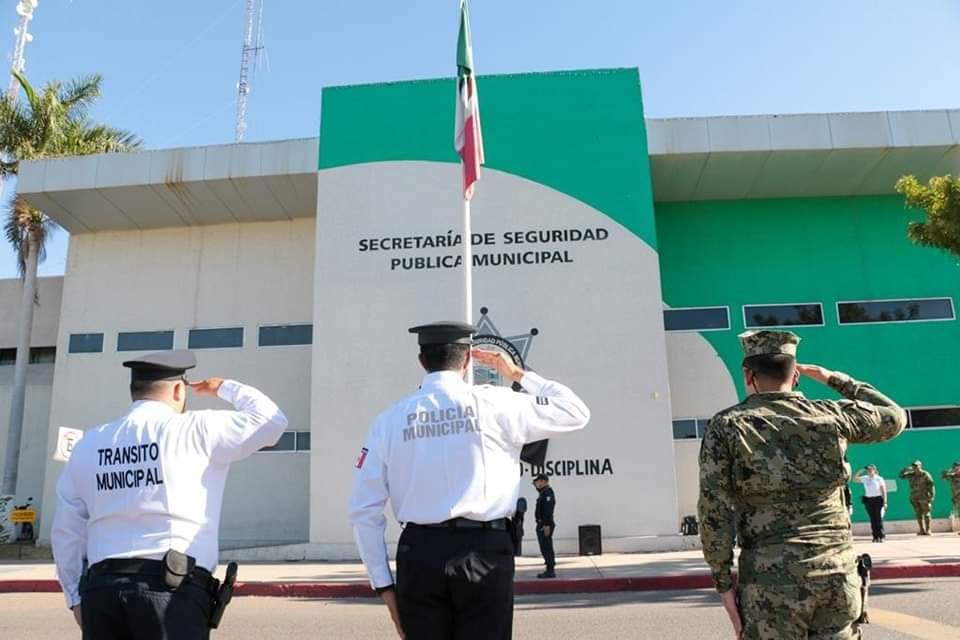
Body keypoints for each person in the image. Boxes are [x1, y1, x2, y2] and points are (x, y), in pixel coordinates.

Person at [348, 321, 590, 640]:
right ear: (466, 361)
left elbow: (364, 510)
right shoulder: (498, 403)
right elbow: (575, 412)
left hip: (419, 554)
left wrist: (383, 585)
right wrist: (518, 374)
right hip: (484, 550)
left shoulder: (389, 420)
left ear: (422, 361)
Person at [51, 350, 288, 639]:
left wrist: (75, 597)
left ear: (134, 391)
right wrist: (223, 386)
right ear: (178, 389)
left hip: (102, 593)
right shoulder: (195, 428)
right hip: (170, 591)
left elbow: (67, 529)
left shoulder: (90, 443)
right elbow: (272, 422)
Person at [698, 330, 906, 640]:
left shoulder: (728, 425)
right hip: (837, 577)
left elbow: (713, 510)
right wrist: (834, 379)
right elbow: (896, 417)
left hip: (770, 584)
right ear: (795, 374)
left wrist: (723, 583)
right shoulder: (831, 414)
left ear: (748, 374)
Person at [899, 460, 936, 535]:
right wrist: (905, 469)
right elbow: (901, 476)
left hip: (924, 497)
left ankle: (928, 529)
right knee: (918, 514)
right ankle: (921, 530)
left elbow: (931, 485)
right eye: (914, 466)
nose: (915, 468)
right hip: (914, 497)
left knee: (927, 514)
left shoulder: (925, 474)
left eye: (916, 466)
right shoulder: (911, 474)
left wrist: (932, 495)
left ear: (920, 466)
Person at [853, 464, 887, 542]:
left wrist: (885, 502)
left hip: (878, 499)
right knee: (872, 519)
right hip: (868, 500)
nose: (869, 471)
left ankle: (881, 536)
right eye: (868, 470)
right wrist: (861, 471)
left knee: (878, 518)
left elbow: (883, 490)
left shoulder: (879, 478)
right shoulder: (865, 478)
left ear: (874, 470)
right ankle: (875, 536)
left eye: (871, 470)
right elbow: (854, 479)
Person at [532, 474, 557, 579]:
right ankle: (549, 568)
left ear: (543, 481)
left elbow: (548, 510)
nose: (536, 484)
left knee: (547, 547)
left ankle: (550, 570)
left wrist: (546, 525)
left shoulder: (547, 493)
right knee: (544, 547)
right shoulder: (543, 493)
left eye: (537, 482)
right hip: (542, 524)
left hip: (545, 525)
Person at [942, 462, 960, 535]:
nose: (957, 469)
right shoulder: (952, 476)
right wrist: (950, 471)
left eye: (958, 468)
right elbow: (943, 476)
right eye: (955, 468)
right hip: (956, 497)